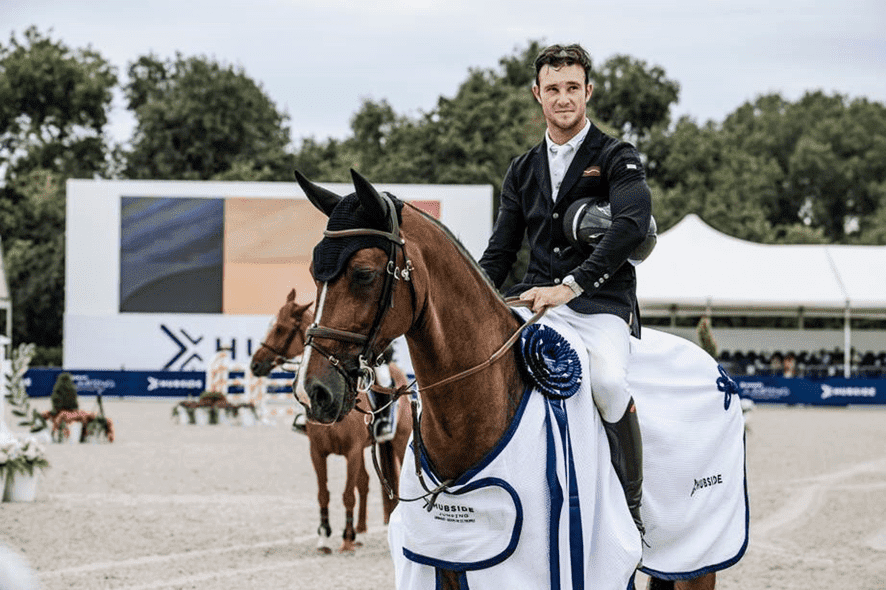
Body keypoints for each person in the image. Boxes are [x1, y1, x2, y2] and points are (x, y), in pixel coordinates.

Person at [479, 43, 652, 536]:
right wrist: (469, 299)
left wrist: (571, 286)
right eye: (553, 89)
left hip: (600, 304)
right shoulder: (522, 168)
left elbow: (631, 225)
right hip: (535, 301)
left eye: (572, 87)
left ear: (588, 92)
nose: (563, 98)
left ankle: (631, 509)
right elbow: (501, 251)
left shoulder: (617, 156)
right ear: (537, 94)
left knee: (610, 384)